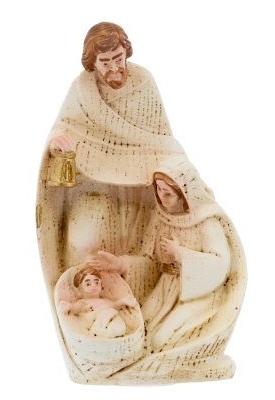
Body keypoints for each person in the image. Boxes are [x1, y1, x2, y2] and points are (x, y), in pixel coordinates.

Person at [37, 22, 186, 293]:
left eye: (118, 58)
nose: (114, 67)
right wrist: (57, 143)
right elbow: (63, 127)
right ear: (92, 63)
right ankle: (86, 298)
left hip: (139, 191)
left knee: (142, 248)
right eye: (105, 62)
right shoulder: (82, 90)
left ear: (126, 51)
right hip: (95, 186)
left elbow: (162, 139)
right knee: (84, 242)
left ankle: (131, 297)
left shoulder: (144, 83)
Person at [89, 157, 244, 354]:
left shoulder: (205, 221)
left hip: (196, 295)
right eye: (159, 189)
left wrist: (180, 254)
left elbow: (220, 263)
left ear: (184, 192)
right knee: (138, 325)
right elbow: (150, 261)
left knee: (161, 340)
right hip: (165, 287)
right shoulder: (160, 217)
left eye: (168, 192)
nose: (162, 196)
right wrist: (120, 264)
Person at [58, 266, 137, 338]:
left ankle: (112, 333)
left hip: (114, 319)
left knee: (119, 328)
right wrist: (69, 307)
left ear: (101, 285)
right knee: (113, 329)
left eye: (96, 283)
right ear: (80, 290)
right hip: (99, 323)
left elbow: (114, 305)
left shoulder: (105, 300)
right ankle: (100, 332)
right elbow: (75, 308)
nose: (93, 286)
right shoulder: (83, 302)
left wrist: (124, 301)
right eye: (88, 284)